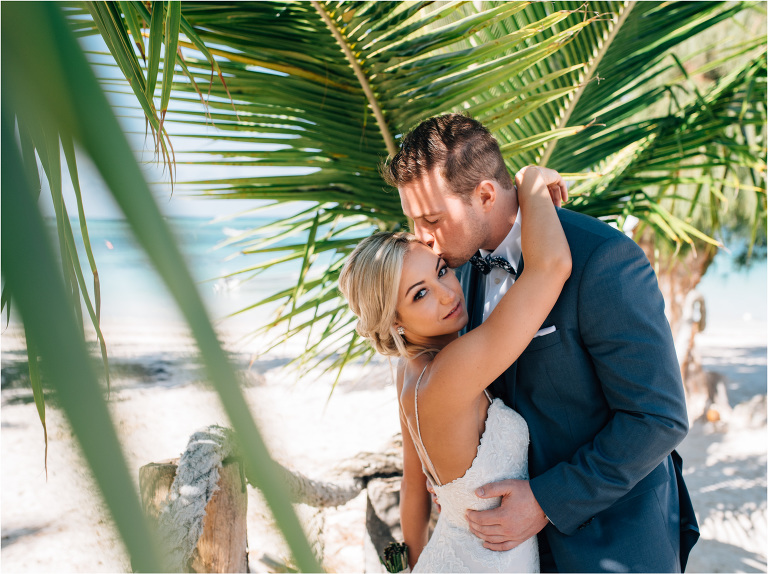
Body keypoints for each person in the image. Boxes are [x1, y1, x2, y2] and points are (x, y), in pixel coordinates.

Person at [382, 113, 700, 573]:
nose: (424, 242)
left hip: (613, 540)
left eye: (431, 220)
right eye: (414, 223)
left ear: (486, 195)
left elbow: (658, 417)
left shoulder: (603, 259)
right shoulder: (454, 278)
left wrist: (545, 502)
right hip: (509, 552)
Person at [339, 166, 571, 571]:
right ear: (394, 320)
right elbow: (549, 268)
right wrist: (531, 181)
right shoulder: (451, 373)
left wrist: (406, 568)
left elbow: (413, 488)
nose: (448, 294)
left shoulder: (408, 371)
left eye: (441, 270)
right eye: (421, 294)